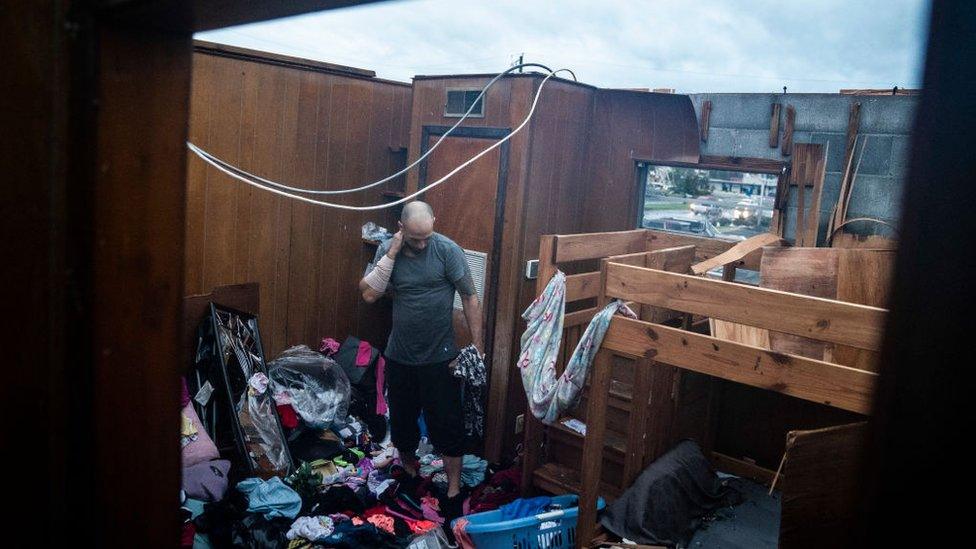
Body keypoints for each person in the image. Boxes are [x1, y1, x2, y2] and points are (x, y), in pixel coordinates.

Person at [359, 201, 483, 520]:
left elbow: (470, 295)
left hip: (440, 357)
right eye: (415, 238)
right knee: (401, 424)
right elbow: (369, 294)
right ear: (402, 228)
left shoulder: (447, 251)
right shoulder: (390, 250)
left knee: (448, 425)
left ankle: (454, 490)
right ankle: (412, 476)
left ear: (434, 223)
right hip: (400, 355)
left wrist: (477, 349)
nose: (422, 243)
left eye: (427, 236)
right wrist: (392, 252)